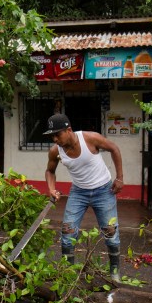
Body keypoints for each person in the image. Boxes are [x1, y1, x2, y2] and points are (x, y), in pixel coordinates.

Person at [44, 113, 125, 282]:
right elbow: (50, 171)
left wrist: (119, 178)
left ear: (69, 130)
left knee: (110, 233)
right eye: (52, 136)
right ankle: (70, 275)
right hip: (78, 193)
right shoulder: (55, 151)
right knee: (67, 233)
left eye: (57, 134)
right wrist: (51, 189)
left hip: (104, 191)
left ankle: (115, 273)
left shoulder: (90, 138)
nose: (55, 139)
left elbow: (114, 149)